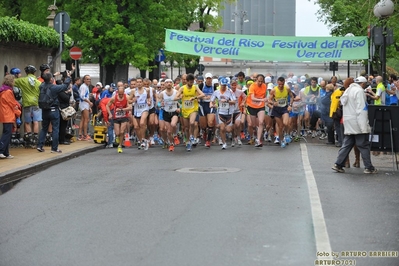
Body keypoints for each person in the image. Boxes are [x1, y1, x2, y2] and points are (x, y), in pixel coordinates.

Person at [332, 76, 377, 174]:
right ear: (363, 84)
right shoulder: (359, 92)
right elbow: (361, 109)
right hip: (357, 121)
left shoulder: (348, 90)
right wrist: (364, 126)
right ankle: (368, 167)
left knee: (347, 144)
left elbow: (343, 102)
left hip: (348, 121)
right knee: (363, 145)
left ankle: (338, 164)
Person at [36, 72, 72, 153]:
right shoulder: (54, 87)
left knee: (44, 128)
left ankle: (40, 145)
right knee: (55, 129)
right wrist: (68, 77)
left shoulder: (41, 86)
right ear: (51, 79)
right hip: (53, 110)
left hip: (44, 110)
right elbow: (64, 86)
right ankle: (54, 148)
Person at [174, 73, 205, 151]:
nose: (191, 83)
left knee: (192, 122)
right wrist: (179, 97)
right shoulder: (182, 88)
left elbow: (203, 94)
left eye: (192, 82)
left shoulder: (195, 87)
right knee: (186, 128)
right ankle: (188, 142)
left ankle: (192, 136)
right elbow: (175, 98)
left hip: (193, 108)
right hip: (185, 109)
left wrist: (194, 97)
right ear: (187, 81)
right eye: (190, 82)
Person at [14, 65, 42, 147]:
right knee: (36, 121)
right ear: (34, 72)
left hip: (27, 103)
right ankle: (36, 138)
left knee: (27, 122)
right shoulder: (38, 82)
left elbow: (13, 81)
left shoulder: (22, 80)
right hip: (36, 103)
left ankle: (29, 138)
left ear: (26, 72)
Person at [210, 78, 236, 149]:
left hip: (229, 113)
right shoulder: (216, 92)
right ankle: (224, 143)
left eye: (225, 85)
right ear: (220, 84)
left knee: (228, 130)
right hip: (220, 112)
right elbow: (211, 100)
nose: (223, 87)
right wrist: (212, 104)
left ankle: (234, 134)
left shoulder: (230, 92)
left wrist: (227, 101)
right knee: (222, 128)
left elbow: (234, 101)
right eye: (222, 85)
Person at [269, 76, 294, 148]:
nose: (280, 86)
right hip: (276, 109)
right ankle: (282, 140)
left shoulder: (287, 88)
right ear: (277, 83)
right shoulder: (274, 90)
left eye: (282, 84)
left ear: (284, 83)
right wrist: (273, 103)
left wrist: (290, 105)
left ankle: (287, 134)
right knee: (280, 127)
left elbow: (292, 97)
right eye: (279, 84)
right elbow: (269, 100)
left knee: (286, 123)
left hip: (284, 108)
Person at [0, 75, 22, 159]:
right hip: (8, 114)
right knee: (7, 133)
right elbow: (12, 104)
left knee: (8, 133)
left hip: (5, 114)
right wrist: (18, 112)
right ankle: (1, 150)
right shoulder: (8, 92)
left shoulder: (3, 90)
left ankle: (6, 152)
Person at [107, 82, 131, 153]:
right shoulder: (114, 98)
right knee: (117, 133)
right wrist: (109, 114)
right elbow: (107, 105)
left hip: (124, 116)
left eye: (122, 94)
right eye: (119, 94)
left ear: (124, 92)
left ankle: (120, 146)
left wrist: (123, 110)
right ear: (117, 92)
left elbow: (130, 107)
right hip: (116, 117)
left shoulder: (127, 97)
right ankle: (118, 138)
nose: (120, 95)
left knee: (122, 131)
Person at [246, 74, 268, 147]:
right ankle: (253, 136)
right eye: (259, 81)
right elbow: (252, 98)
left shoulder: (264, 86)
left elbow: (264, 96)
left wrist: (265, 100)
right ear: (256, 80)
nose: (260, 83)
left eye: (261, 81)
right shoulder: (252, 86)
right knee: (253, 124)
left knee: (261, 122)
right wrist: (261, 99)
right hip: (252, 106)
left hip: (260, 106)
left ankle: (258, 140)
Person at [78, 75, 93, 140]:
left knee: (83, 119)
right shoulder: (84, 87)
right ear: (84, 80)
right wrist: (89, 103)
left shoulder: (85, 86)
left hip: (84, 104)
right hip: (84, 104)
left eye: (89, 79)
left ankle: (80, 134)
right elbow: (82, 96)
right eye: (87, 79)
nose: (89, 80)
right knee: (86, 119)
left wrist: (89, 106)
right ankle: (85, 134)